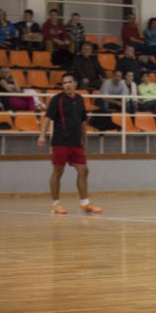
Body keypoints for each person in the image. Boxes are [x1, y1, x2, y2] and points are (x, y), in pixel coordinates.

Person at [38, 72, 103, 215]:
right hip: (60, 141)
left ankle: (85, 204)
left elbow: (82, 121)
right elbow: (47, 118)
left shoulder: (80, 99)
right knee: (57, 172)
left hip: (76, 142)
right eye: (64, 83)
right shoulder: (57, 99)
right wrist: (42, 136)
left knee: (84, 170)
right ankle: (55, 204)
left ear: (75, 84)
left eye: (69, 82)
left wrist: (84, 139)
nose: (67, 85)